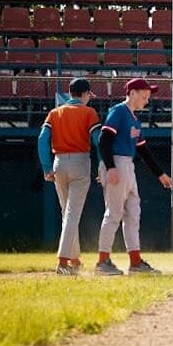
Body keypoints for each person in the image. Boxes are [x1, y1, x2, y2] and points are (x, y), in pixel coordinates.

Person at [94, 78, 173, 276]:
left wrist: (160, 174)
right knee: (113, 214)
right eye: (144, 95)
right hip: (117, 163)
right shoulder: (119, 111)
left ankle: (135, 263)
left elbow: (143, 150)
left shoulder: (135, 119)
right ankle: (102, 262)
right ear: (132, 92)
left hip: (128, 165)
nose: (147, 100)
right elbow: (103, 140)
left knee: (133, 215)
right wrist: (110, 167)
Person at [37, 78, 102, 275]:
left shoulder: (55, 112)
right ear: (84, 94)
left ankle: (74, 259)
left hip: (59, 162)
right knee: (72, 215)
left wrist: (47, 168)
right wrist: (102, 165)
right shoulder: (89, 112)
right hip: (80, 162)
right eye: (89, 94)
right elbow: (98, 140)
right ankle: (63, 262)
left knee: (67, 214)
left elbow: (42, 140)